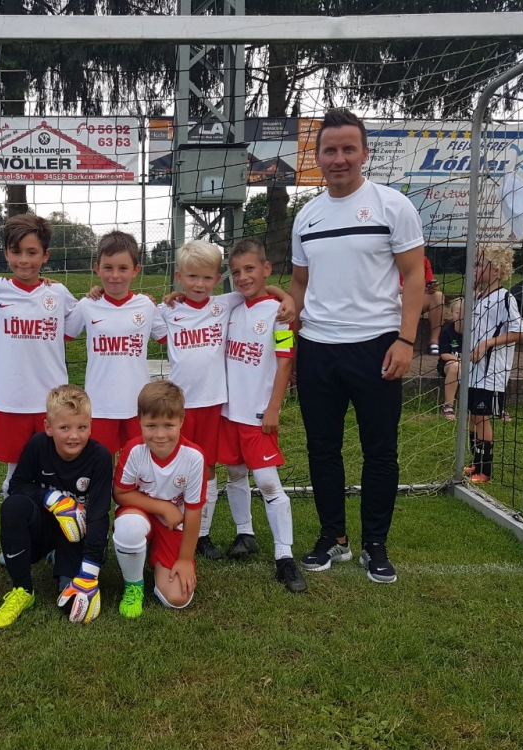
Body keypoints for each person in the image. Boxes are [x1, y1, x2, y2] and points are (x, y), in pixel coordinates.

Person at [290, 108, 425, 585]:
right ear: (318, 157)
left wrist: (406, 340)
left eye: (349, 149)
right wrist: (289, 339)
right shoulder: (307, 216)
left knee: (379, 450)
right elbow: (299, 285)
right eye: (330, 150)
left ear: (365, 153)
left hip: (377, 347)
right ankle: (333, 537)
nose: (339, 158)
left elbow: (414, 276)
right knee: (322, 448)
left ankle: (375, 544)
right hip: (318, 348)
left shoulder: (393, 206)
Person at [150, 239, 294, 561]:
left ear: (217, 279)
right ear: (179, 277)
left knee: (214, 470)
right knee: (184, 470)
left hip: (222, 407)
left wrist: (287, 298)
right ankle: (172, 529)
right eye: (192, 277)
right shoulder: (173, 310)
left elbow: (265, 296)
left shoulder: (231, 305)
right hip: (187, 409)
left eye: (207, 278)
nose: (199, 284)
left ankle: (207, 536)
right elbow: (142, 315)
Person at [0, 214, 78, 495]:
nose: (23, 260)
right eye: (16, 252)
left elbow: (85, 314)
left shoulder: (58, 292)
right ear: (6, 253)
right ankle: (14, 513)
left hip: (53, 399)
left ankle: (53, 517)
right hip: (12, 398)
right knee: (15, 472)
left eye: (31, 252)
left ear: (45, 255)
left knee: (54, 466)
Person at [214, 239, 306, 593]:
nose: (243, 277)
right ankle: (245, 533)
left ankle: (284, 555)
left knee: (267, 482)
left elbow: (285, 362)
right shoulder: (234, 308)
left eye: (250, 269)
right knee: (235, 473)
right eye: (236, 271)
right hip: (229, 412)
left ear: (266, 269)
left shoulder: (279, 314)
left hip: (257, 413)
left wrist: (273, 408)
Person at [0, 384, 112, 628]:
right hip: (44, 528)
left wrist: (90, 571)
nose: (74, 435)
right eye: (64, 428)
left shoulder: (100, 457)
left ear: (90, 426)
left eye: (82, 427)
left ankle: (76, 563)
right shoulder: (38, 445)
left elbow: (99, 515)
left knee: (72, 605)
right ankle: (23, 590)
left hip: (76, 534)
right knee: (13, 506)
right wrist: (53, 499)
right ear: (48, 427)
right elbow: (17, 485)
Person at [112, 381, 206, 617]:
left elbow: (194, 511)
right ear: (139, 421)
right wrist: (163, 507)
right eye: (151, 426)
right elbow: (120, 493)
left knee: (177, 597)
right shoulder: (134, 450)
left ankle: (157, 557)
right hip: (140, 515)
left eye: (168, 425)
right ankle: (134, 584)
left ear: (181, 421)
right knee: (129, 527)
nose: (160, 434)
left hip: (172, 526)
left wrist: (185, 559)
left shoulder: (194, 458)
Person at [65, 230, 157, 454]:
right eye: (108, 268)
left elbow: (171, 332)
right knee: (102, 462)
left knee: (138, 461)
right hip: (100, 404)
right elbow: (62, 332)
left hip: (138, 404)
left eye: (123, 268)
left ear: (135, 270)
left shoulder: (146, 306)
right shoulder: (87, 305)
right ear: (97, 269)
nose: (115, 275)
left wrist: (178, 298)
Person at [466, 244, 523, 483]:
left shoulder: (505, 298)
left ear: (497, 270)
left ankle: (485, 470)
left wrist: (487, 343)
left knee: (482, 417)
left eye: (480, 264)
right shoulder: (479, 297)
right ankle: (475, 461)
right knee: (473, 416)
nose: (475, 268)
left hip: (492, 372)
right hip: (474, 370)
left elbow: (519, 332)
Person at [437, 298, 464, 420]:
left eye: (464, 313)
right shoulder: (447, 331)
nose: (461, 316)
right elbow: (444, 354)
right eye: (457, 312)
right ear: (452, 314)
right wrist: (459, 360)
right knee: (455, 366)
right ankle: (448, 405)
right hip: (448, 365)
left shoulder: (476, 331)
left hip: (470, 365)